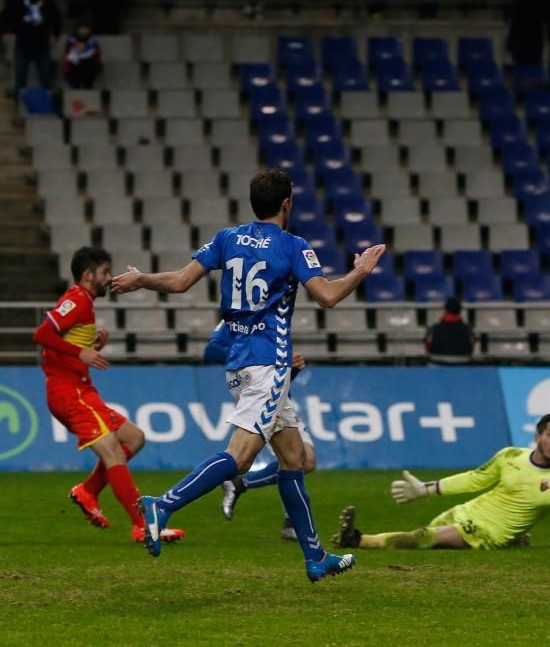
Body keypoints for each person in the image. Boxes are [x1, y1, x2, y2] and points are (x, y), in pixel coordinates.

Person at [111, 169, 386, 582]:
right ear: (287, 204)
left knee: (293, 458)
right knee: (240, 457)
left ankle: (315, 556)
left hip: (239, 363)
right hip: (268, 366)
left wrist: (142, 279)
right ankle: (163, 503)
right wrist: (361, 271)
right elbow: (327, 295)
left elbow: (181, 281)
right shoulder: (293, 246)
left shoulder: (227, 239)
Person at [31, 247, 186, 544]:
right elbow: (42, 335)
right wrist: (83, 352)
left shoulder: (85, 303)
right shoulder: (76, 299)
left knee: (134, 438)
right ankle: (142, 526)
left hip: (81, 389)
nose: (109, 278)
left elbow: (60, 346)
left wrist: (93, 345)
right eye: (104, 272)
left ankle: (88, 491)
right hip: (69, 393)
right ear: (88, 275)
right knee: (113, 450)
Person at [333, 413, 550, 552]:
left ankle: (357, 540)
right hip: (463, 512)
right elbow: (476, 478)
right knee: (425, 536)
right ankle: (518, 541)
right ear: (537, 436)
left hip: (483, 534)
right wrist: (427, 489)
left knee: (423, 538)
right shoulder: (510, 456)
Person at [203, 321, 316, 541]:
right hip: (259, 398)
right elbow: (211, 351)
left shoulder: (278, 318)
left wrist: (291, 368)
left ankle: (240, 484)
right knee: (295, 459)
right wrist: (262, 359)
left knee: (303, 460)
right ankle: (292, 524)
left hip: (281, 396)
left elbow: (276, 371)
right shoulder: (239, 314)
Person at [2, 0, 62, 97]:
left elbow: (57, 20)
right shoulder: (18, 3)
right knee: (20, 78)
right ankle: (19, 106)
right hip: (23, 46)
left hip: (42, 46)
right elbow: (6, 16)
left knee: (45, 78)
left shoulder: (48, 3)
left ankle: (46, 104)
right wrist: (6, 32)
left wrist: (55, 34)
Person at [506, 0, 550, 66]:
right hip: (520, 39)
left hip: (536, 40)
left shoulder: (547, 0)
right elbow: (513, 15)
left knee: (535, 65)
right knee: (520, 65)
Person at [424, 297, 475, 364]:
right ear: (459, 310)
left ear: (446, 309)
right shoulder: (468, 329)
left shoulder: (434, 328)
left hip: (437, 363)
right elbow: (471, 346)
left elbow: (427, 345)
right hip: (462, 363)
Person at [62, 22, 101, 89]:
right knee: (75, 84)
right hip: (74, 67)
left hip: (89, 67)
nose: (83, 31)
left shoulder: (93, 40)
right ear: (77, 29)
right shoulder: (72, 39)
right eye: (81, 29)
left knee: (88, 84)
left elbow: (97, 55)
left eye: (85, 29)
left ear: (89, 30)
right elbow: (67, 54)